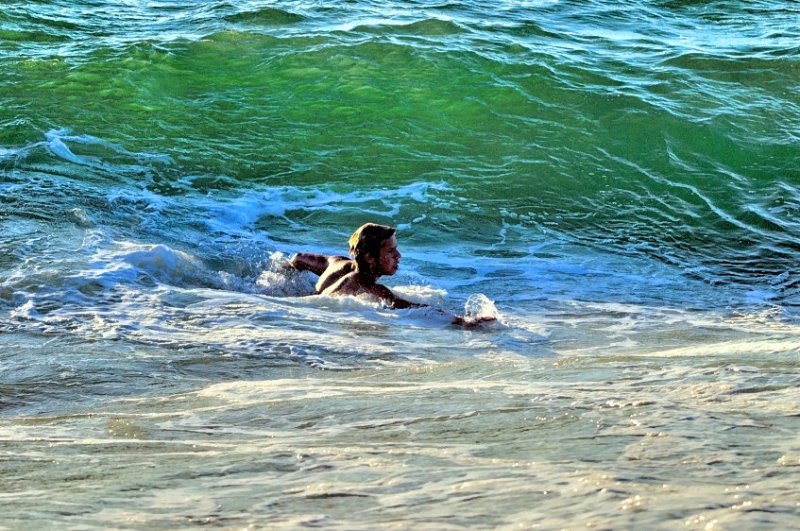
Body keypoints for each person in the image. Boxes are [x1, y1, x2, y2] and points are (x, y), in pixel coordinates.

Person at [288, 223, 495, 327]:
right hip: (312, 319)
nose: (399, 256)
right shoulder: (365, 283)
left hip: (297, 309)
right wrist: (464, 322)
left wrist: (286, 271)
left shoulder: (336, 263)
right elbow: (414, 309)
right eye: (390, 252)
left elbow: (298, 258)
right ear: (370, 258)